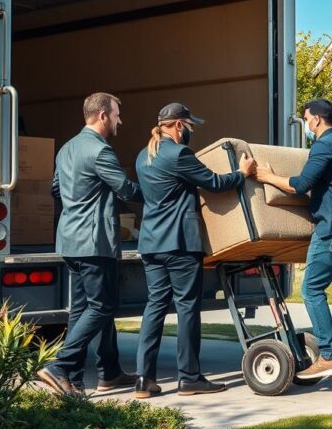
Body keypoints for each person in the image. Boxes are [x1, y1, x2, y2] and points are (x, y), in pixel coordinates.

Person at [133, 103, 256, 398]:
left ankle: (143, 380)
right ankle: (189, 378)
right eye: (190, 126)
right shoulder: (179, 154)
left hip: (151, 244)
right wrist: (242, 173)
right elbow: (214, 183)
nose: (190, 132)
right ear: (178, 125)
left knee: (155, 308)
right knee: (187, 308)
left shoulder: (143, 156)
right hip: (180, 244)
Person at [254, 99, 332, 380]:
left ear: (316, 119)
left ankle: (329, 356)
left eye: (306, 120)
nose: (306, 125)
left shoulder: (323, 145)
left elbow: (299, 185)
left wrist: (266, 176)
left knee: (312, 290)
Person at [38, 92, 143, 397]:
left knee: (83, 309)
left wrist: (77, 206)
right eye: (116, 114)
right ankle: (60, 366)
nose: (120, 120)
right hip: (94, 242)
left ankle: (94, 376)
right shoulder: (100, 151)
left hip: (70, 241)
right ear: (102, 116)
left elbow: (56, 189)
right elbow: (124, 189)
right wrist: (162, 194)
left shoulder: (67, 149)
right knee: (102, 306)